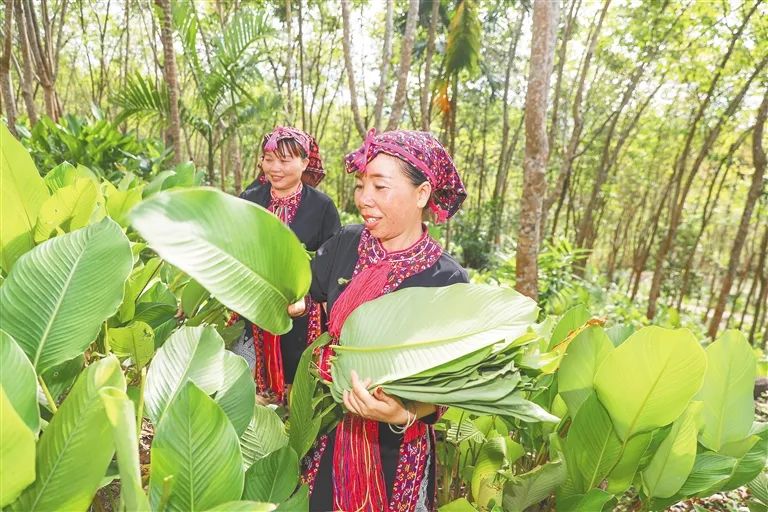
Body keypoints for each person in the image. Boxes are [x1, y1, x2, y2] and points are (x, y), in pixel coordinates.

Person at [300, 128, 468, 511]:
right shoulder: (345, 243)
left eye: (380, 187)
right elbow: (307, 294)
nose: (364, 200)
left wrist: (404, 411)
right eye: (361, 186)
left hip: (397, 448)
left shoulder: (447, 280)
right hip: (330, 429)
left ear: (422, 193)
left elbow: (447, 382)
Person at [231, 126, 341, 403]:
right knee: (244, 384)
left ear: (305, 162)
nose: (275, 168)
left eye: (284, 160)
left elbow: (330, 263)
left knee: (297, 392)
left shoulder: (322, 207)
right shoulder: (250, 199)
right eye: (269, 160)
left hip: (302, 312)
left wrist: (303, 297)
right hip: (253, 310)